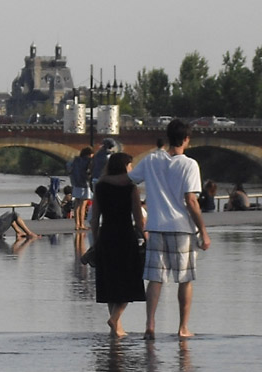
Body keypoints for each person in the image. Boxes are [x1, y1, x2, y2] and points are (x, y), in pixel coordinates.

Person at [100, 119, 210, 339]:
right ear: (187, 139)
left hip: (156, 227)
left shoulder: (151, 160)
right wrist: (203, 232)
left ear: (168, 137)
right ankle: (183, 328)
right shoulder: (189, 165)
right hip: (181, 229)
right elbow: (191, 200)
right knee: (185, 279)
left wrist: (102, 180)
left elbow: (127, 179)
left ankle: (150, 325)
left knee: (155, 279)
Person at [89, 152, 146, 337]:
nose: (132, 169)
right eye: (130, 165)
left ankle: (117, 328)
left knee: (110, 282)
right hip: (125, 236)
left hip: (106, 235)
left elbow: (94, 218)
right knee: (129, 281)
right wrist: (145, 237)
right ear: (124, 166)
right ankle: (115, 319)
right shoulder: (131, 187)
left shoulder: (100, 186)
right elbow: (139, 220)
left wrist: (96, 240)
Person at [69, 147, 93, 229]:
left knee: (77, 205)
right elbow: (90, 171)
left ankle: (77, 224)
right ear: (89, 154)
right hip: (85, 184)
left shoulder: (76, 160)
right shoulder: (89, 160)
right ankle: (82, 224)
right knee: (83, 205)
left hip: (76, 183)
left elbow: (70, 168)